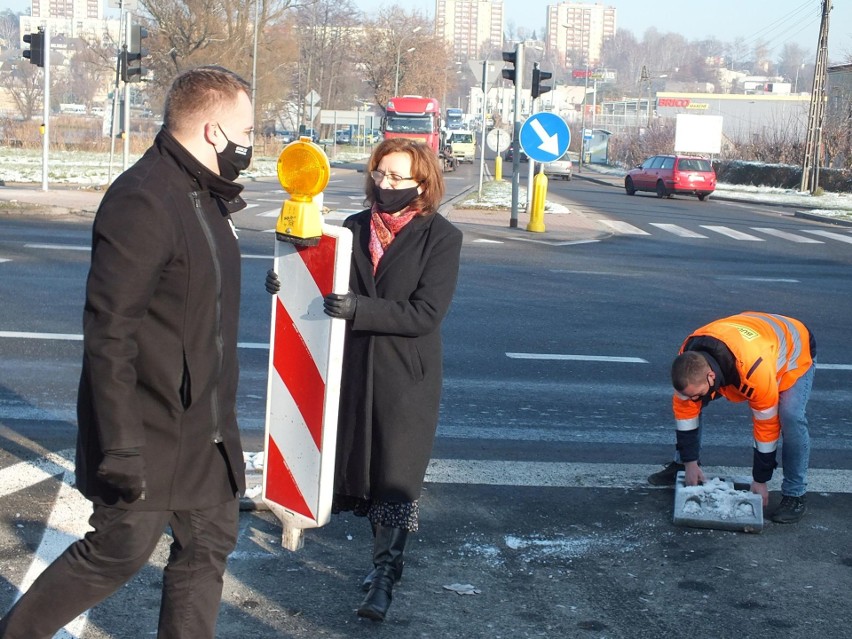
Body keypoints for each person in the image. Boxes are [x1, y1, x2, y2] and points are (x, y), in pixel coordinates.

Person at [0, 66, 253, 638]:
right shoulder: (145, 199)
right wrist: (120, 445)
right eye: (247, 128)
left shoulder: (205, 196)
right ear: (214, 131)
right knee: (121, 548)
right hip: (149, 425)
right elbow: (109, 331)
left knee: (209, 542)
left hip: (205, 427)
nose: (252, 142)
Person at [266, 137, 463, 621]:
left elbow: (426, 313)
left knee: (395, 479)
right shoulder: (351, 228)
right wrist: (286, 277)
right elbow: (319, 280)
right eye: (380, 174)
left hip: (404, 379)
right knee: (351, 465)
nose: (386, 185)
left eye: (398, 178)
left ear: (423, 183)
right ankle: (306, 522)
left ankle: (385, 576)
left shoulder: (442, 237)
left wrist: (361, 309)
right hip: (351, 370)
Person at [649, 312, 816, 524]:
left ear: (711, 377)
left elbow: (766, 425)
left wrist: (760, 480)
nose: (690, 398)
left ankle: (795, 494)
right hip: (745, 337)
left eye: (696, 392)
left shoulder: (753, 372)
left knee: (790, 416)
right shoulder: (689, 355)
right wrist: (690, 462)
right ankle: (681, 465)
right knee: (690, 403)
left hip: (793, 348)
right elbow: (685, 411)